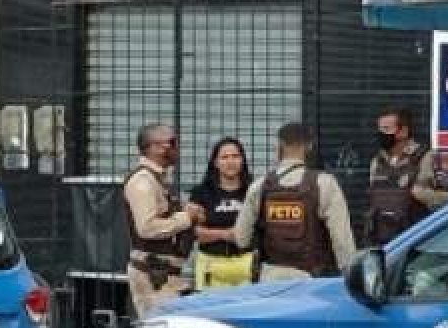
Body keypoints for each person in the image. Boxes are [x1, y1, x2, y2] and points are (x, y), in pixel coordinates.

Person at [233, 122, 356, 282]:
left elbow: (241, 239)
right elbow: (343, 243)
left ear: (280, 146)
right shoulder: (325, 184)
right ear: (310, 146)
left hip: (269, 280)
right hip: (311, 281)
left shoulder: (260, 186)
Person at [123, 123, 204, 316]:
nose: (177, 148)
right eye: (173, 142)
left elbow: (162, 215)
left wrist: (186, 213)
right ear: (155, 147)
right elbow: (147, 227)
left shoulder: (156, 179)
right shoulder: (143, 181)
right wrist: (186, 217)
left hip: (163, 274)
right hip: (153, 275)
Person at [367, 107, 448, 244]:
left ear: (403, 131)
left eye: (386, 129)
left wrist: (422, 194)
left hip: (415, 241)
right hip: (383, 242)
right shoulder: (377, 161)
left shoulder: (427, 157)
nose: (381, 134)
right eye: (380, 129)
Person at [189, 137, 255, 289]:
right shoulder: (201, 192)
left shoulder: (254, 190)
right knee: (211, 313)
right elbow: (193, 232)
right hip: (211, 264)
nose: (230, 161)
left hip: (247, 264)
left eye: (235, 156)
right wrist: (226, 234)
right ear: (215, 162)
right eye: (224, 157)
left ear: (243, 160)